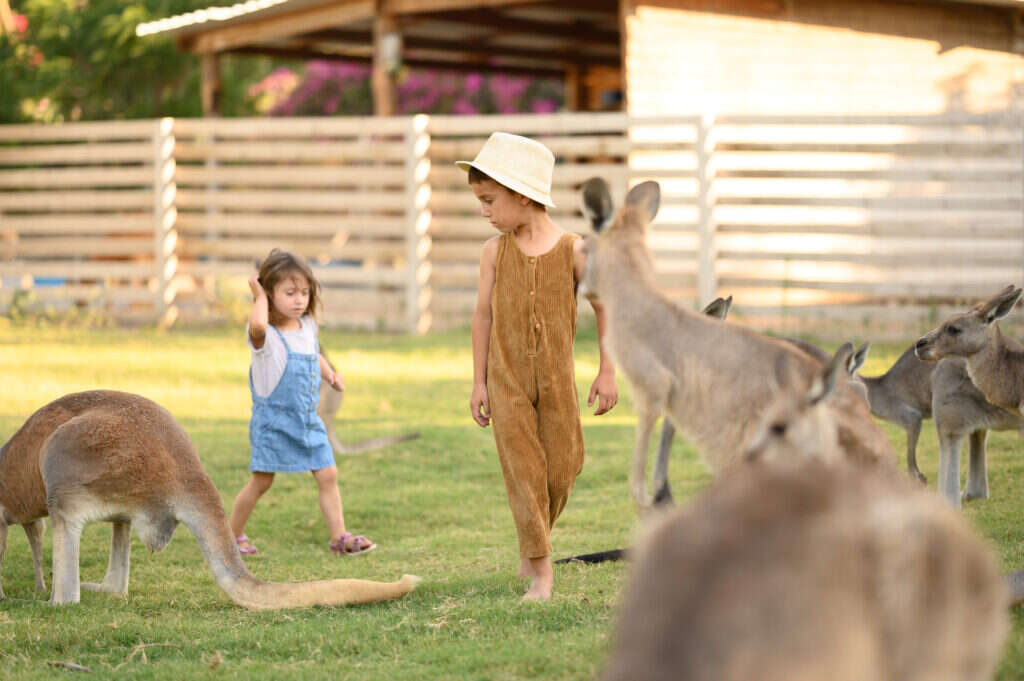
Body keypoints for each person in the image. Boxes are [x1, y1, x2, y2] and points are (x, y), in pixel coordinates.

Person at [461, 132, 619, 601]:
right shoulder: (494, 252)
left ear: (523, 194)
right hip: (505, 379)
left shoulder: (574, 252)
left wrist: (607, 369)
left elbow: (605, 308)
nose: (484, 211)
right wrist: (478, 382)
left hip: (556, 381)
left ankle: (533, 545)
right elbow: (483, 314)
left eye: (490, 200)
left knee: (564, 468)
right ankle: (541, 573)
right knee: (525, 472)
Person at [229, 249, 376, 558]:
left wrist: (331, 374)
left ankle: (340, 538)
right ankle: (231, 536)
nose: (299, 300)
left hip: (307, 420)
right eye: (290, 292)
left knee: (328, 474)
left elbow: (312, 354)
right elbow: (256, 326)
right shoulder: (264, 336)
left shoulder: (307, 327)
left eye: (305, 292)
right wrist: (257, 297)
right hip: (274, 423)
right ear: (269, 294)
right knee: (261, 482)